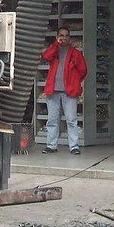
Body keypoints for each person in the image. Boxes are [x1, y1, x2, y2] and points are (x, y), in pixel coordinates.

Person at [41, 27, 87, 155]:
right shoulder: (54, 50)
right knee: (52, 119)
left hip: (69, 92)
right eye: (61, 35)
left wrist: (75, 82)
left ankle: (74, 146)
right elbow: (45, 56)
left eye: (66, 35)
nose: (64, 38)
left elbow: (83, 70)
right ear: (57, 37)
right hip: (53, 90)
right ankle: (51, 145)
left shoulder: (76, 53)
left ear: (69, 38)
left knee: (71, 120)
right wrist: (56, 44)